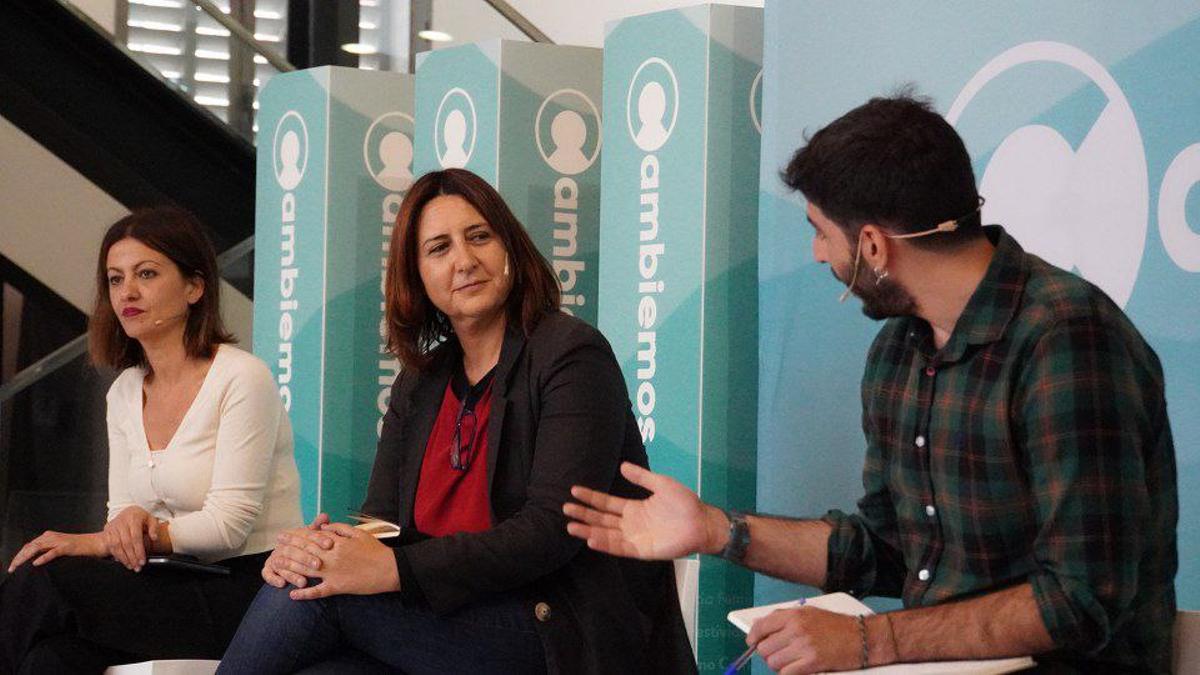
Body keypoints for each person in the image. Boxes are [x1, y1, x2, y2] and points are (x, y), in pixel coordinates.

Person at [565, 93, 1177, 673]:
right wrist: (717, 531)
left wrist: (868, 642)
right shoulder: (897, 352)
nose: (815, 253)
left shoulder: (1065, 337)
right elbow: (886, 550)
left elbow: (1082, 598)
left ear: (872, 246)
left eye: (820, 232)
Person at [218, 168, 694, 674]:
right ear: (417, 275)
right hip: (450, 621)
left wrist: (392, 569)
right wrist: (322, 548)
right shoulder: (421, 382)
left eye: (479, 237)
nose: (464, 261)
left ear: (509, 248)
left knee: (318, 594)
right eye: (439, 248)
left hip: (556, 627)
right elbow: (382, 520)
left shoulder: (570, 354)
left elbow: (553, 528)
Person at [0, 207, 303, 673]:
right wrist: (119, 532)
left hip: (248, 590)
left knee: (48, 579)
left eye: (147, 274)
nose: (128, 292)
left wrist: (102, 542)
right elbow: (120, 519)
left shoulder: (242, 377)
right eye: (116, 279)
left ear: (194, 287)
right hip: (169, 580)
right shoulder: (123, 391)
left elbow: (227, 528)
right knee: (51, 659)